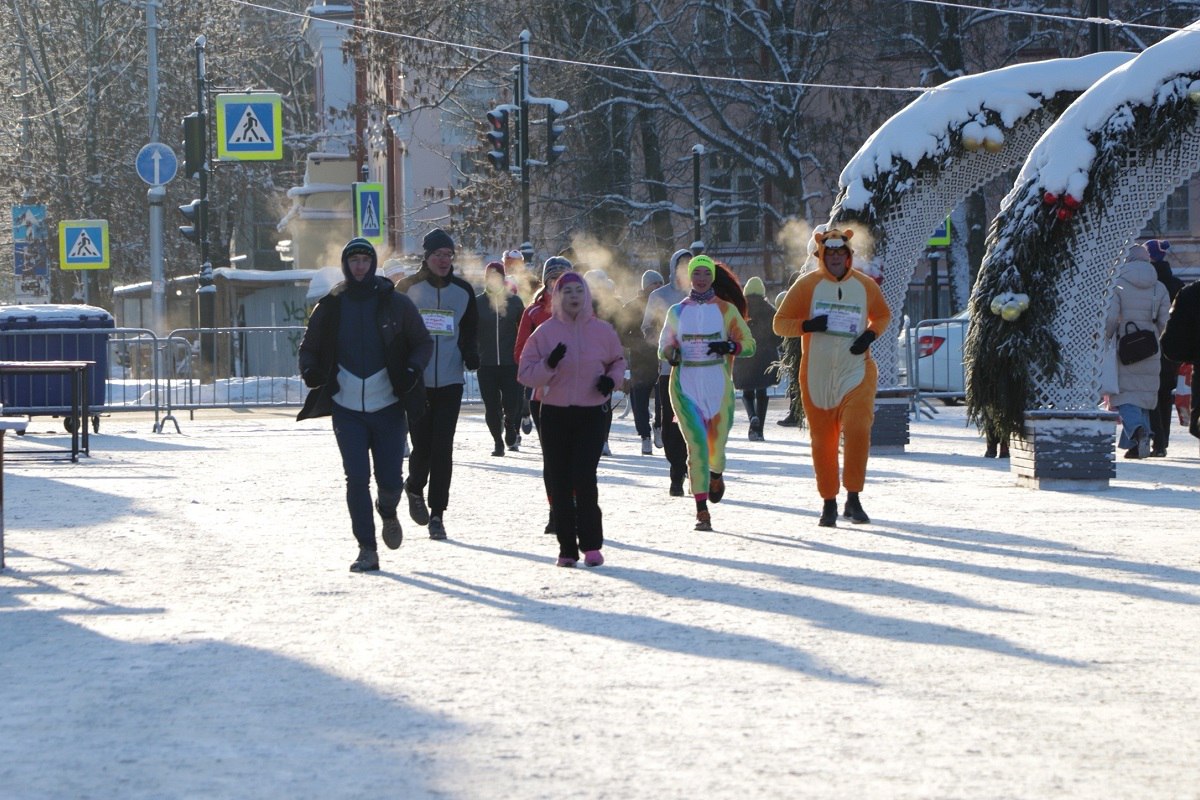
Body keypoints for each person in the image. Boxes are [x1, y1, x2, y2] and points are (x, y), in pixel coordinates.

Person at [297, 237, 433, 572]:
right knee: (356, 477)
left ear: (373, 264)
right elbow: (308, 348)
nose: (360, 266)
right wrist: (311, 370)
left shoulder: (394, 303)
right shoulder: (331, 305)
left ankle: (387, 510)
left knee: (389, 480)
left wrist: (413, 370)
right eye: (354, 260)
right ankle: (367, 549)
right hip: (347, 408)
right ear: (346, 264)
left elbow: (422, 342)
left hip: (388, 405)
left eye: (365, 260)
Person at [773, 228, 891, 527]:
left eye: (841, 253)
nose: (836, 258)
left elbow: (882, 316)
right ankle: (829, 501)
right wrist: (808, 324)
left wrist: (869, 335)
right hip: (817, 375)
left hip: (856, 371)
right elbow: (780, 324)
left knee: (857, 429)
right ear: (821, 255)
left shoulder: (864, 286)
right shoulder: (807, 285)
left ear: (849, 256)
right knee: (823, 441)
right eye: (831, 254)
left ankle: (853, 497)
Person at [518, 272, 626, 567]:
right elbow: (525, 373)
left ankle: (591, 545)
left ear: (587, 296)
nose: (574, 297)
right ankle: (567, 548)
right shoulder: (544, 333)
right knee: (560, 480)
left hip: (591, 412)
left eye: (580, 291)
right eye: (568, 292)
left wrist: (611, 380)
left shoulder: (601, 331)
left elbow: (618, 361)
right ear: (557, 296)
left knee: (584, 476)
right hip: (554, 412)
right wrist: (549, 364)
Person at [658, 255, 755, 532]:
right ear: (690, 277)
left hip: (718, 386)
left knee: (716, 449)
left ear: (712, 277)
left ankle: (716, 474)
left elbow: (748, 344)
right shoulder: (677, 311)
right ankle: (701, 510)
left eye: (705, 273)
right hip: (685, 385)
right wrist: (671, 353)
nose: (701, 278)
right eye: (696, 273)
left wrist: (729, 347)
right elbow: (663, 346)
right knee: (697, 447)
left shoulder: (726, 310)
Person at [394, 228, 479, 539]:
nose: (443, 260)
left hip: (451, 380)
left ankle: (437, 514)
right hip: (418, 380)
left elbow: (470, 331)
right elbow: (396, 331)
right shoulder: (407, 288)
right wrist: (402, 366)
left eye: (448, 255)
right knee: (423, 446)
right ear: (426, 257)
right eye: (437, 255)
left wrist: (471, 354)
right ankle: (414, 486)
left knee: (443, 447)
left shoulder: (463, 291)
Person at [514, 255, 574, 534]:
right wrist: (546, 362)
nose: (560, 284)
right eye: (555, 278)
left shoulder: (584, 311)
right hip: (545, 396)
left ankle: (573, 508)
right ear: (547, 281)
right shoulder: (533, 313)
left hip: (579, 394)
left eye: (566, 278)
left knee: (575, 456)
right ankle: (556, 510)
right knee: (552, 458)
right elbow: (520, 354)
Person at [1105, 243, 1171, 459]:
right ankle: (1136, 445)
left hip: (1125, 347)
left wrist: (1106, 337)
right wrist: (1151, 335)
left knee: (1124, 397)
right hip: (1151, 348)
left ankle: (1139, 431)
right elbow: (1164, 322)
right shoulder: (1159, 287)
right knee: (1143, 397)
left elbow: (1112, 318)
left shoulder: (1118, 284)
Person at [642, 248, 693, 495]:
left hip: (700, 372)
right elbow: (647, 328)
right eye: (681, 265)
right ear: (673, 268)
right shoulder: (660, 296)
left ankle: (697, 471)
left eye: (690, 265)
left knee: (697, 423)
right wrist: (667, 348)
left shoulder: (704, 296)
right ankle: (676, 473)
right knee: (672, 423)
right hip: (668, 371)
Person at [476, 260, 525, 456]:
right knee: (491, 406)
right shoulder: (478, 303)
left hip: (510, 363)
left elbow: (524, 332)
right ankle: (497, 441)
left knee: (512, 403)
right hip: (486, 363)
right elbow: (470, 331)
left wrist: (523, 355)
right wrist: (471, 352)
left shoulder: (514, 302)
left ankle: (511, 424)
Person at [1145, 239, 1184, 456]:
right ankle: (1163, 441)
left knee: (1148, 392)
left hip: (1146, 344)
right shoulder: (1177, 284)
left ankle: (1154, 440)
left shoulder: (1148, 284)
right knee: (1164, 393)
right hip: (1171, 348)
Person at [620, 269, 665, 455]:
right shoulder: (631, 307)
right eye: (654, 284)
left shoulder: (666, 305)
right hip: (640, 360)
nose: (658, 287)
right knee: (640, 399)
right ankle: (644, 435)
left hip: (663, 358)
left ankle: (659, 427)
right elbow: (622, 335)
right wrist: (639, 344)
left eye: (660, 284)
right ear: (645, 286)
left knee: (663, 398)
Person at [734, 276, 783, 441]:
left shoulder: (740, 310)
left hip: (745, 355)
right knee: (762, 390)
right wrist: (771, 344)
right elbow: (779, 335)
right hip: (765, 356)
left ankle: (752, 417)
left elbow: (732, 331)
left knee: (747, 391)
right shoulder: (770, 310)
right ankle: (759, 430)